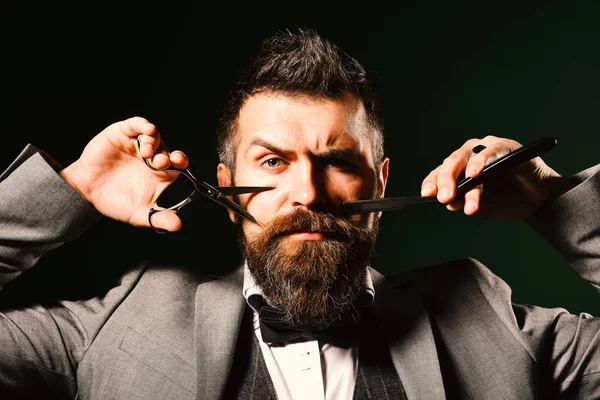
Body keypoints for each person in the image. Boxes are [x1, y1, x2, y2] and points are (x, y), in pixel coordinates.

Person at [0, 28, 598, 400]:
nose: (309, 193)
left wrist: (551, 199)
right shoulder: (118, 326)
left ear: (380, 181)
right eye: (274, 161)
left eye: (337, 160)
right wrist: (70, 191)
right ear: (228, 190)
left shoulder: (494, 325)